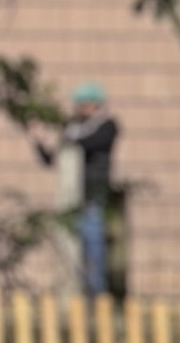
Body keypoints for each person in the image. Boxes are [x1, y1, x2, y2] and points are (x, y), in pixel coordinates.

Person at [36, 82, 121, 298]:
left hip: (92, 198)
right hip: (70, 201)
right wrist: (38, 141)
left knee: (94, 253)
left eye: (82, 104)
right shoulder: (72, 129)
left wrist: (68, 137)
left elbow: (88, 143)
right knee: (69, 255)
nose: (77, 108)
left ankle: (98, 300)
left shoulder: (107, 126)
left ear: (95, 104)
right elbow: (52, 158)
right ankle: (73, 300)